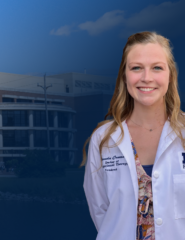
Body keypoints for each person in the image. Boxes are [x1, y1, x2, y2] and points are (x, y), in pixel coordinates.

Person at [80, 31, 185, 240]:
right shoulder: (103, 140)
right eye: (136, 68)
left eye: (157, 67)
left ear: (170, 75)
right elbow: (101, 212)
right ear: (125, 76)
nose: (146, 78)